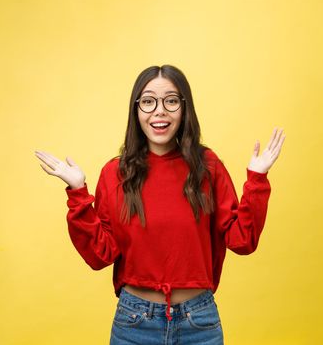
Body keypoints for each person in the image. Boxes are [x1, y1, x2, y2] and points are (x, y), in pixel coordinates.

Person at [34, 64, 285, 344]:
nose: (160, 111)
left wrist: (257, 180)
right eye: (149, 101)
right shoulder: (115, 173)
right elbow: (99, 256)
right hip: (135, 323)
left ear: (184, 109)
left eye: (171, 101)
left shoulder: (208, 166)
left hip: (199, 323)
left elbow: (243, 240)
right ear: (136, 110)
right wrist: (78, 192)